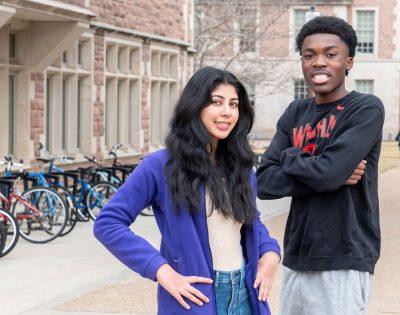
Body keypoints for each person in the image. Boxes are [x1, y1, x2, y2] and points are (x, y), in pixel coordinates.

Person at [94, 67, 281, 315]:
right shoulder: (161, 166)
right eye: (216, 102)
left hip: (246, 294)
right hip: (196, 299)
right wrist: (161, 270)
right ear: (195, 106)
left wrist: (269, 251)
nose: (227, 111)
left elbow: (249, 220)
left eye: (234, 104)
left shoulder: (241, 166)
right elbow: (108, 223)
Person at [256, 16, 385, 314]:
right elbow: (264, 182)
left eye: (330, 54)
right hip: (297, 256)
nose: (318, 62)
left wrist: (289, 157)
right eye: (309, 55)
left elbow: (327, 173)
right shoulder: (295, 111)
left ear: (348, 62)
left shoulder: (365, 108)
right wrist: (329, 174)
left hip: (344, 256)